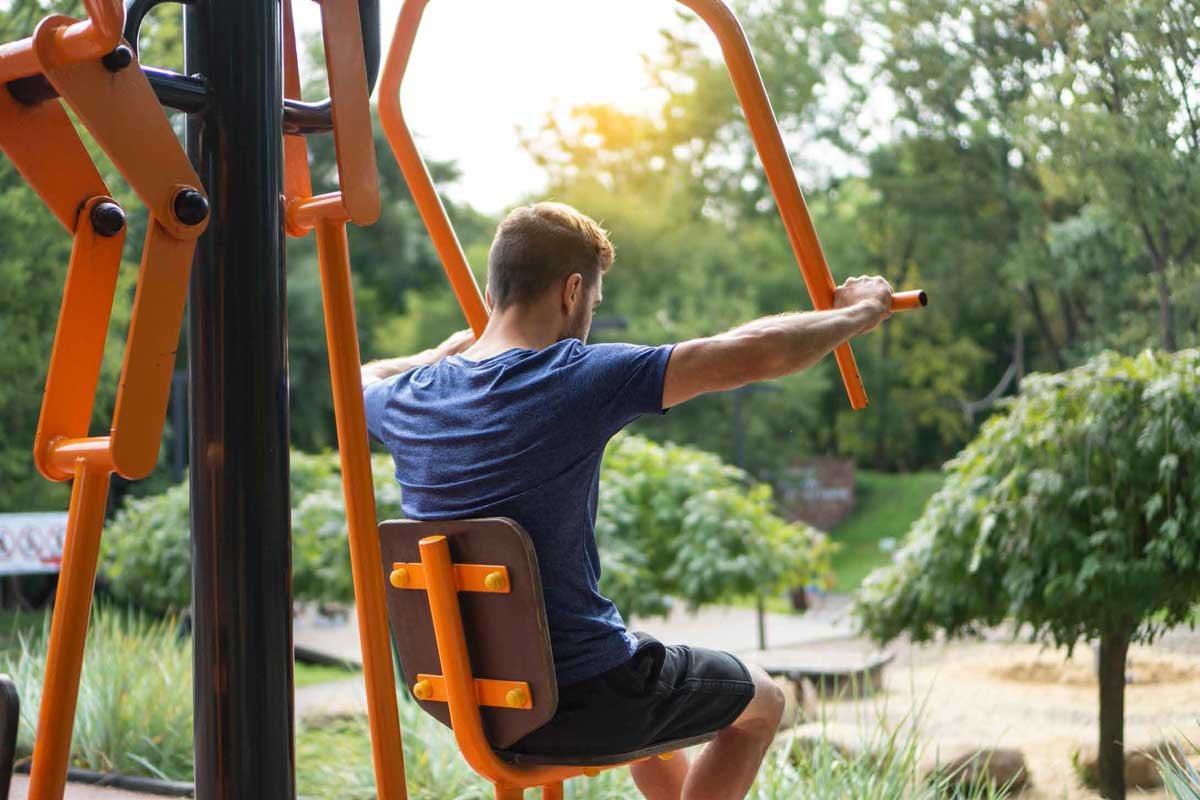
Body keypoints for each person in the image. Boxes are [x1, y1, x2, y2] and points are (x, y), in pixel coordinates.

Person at [362, 202, 894, 800]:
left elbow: (359, 379)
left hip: (470, 704)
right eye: (594, 301)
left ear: (492, 290)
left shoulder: (411, 397)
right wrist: (857, 314)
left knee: (657, 702)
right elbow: (751, 351)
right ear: (571, 291)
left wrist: (437, 356)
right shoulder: (575, 376)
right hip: (583, 696)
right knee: (764, 703)